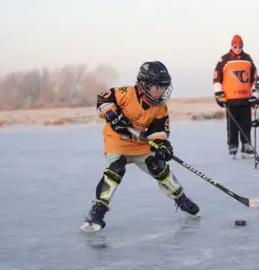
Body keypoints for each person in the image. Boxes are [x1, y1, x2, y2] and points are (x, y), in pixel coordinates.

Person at [80, 61, 200, 232]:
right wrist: (113, 116)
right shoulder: (125, 93)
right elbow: (103, 99)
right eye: (157, 87)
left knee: (158, 167)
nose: (161, 92)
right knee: (116, 168)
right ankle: (97, 210)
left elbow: (158, 130)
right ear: (144, 84)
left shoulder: (160, 108)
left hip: (140, 144)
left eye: (164, 88)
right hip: (117, 141)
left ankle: (180, 198)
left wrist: (162, 144)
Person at [213, 34, 257, 159]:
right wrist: (218, 94)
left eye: (240, 46)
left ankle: (246, 145)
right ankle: (233, 145)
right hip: (230, 98)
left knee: (246, 123)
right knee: (232, 124)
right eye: (235, 46)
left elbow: (254, 77)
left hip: (246, 98)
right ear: (231, 46)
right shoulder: (224, 60)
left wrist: (254, 94)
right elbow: (217, 77)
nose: (238, 48)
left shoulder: (248, 59)